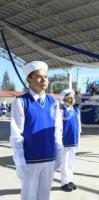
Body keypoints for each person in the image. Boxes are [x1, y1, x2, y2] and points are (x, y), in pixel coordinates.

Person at [10, 61, 63, 200]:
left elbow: (57, 131)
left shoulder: (53, 102)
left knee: (45, 196)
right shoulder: (21, 102)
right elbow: (16, 134)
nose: (44, 80)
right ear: (29, 79)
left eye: (45, 77)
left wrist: (59, 153)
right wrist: (20, 161)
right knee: (29, 196)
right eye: (39, 77)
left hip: (49, 158)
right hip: (30, 160)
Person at [59, 89, 81, 192]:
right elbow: (58, 127)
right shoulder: (61, 111)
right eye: (69, 97)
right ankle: (64, 182)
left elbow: (78, 125)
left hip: (74, 140)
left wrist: (78, 139)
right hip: (65, 141)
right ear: (64, 99)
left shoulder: (76, 110)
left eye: (72, 97)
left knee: (71, 162)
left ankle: (70, 180)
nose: (72, 99)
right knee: (64, 163)